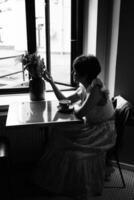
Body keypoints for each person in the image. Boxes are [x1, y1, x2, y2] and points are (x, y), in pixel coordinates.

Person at [33, 55, 117, 199]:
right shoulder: (85, 86)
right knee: (58, 133)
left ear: (85, 75)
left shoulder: (96, 90)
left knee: (68, 149)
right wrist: (51, 82)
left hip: (103, 131)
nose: (73, 74)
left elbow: (81, 112)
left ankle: (74, 185)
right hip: (92, 126)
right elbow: (64, 100)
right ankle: (56, 180)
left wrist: (74, 106)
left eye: (76, 72)